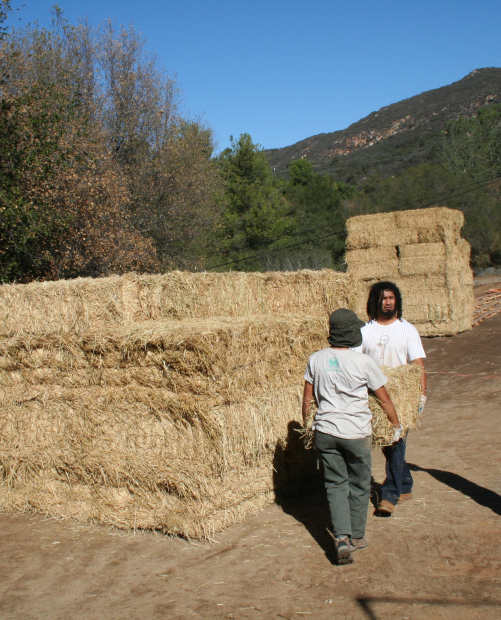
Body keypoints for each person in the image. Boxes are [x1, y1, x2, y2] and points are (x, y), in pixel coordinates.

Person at [302, 308, 402, 565]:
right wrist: (396, 426)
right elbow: (385, 401)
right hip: (356, 434)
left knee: (335, 484)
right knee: (359, 484)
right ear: (352, 333)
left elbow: (307, 399)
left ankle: (341, 537)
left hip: (325, 431)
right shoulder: (364, 362)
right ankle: (357, 536)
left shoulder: (316, 359)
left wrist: (308, 426)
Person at [356, 281, 427, 516]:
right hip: (374, 396)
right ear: (375, 301)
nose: (388, 302)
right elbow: (356, 363)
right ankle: (405, 484)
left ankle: (389, 495)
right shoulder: (365, 331)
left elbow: (418, 366)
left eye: (392, 298)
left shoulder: (407, 329)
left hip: (401, 396)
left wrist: (422, 394)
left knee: (396, 443)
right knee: (389, 444)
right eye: (384, 298)